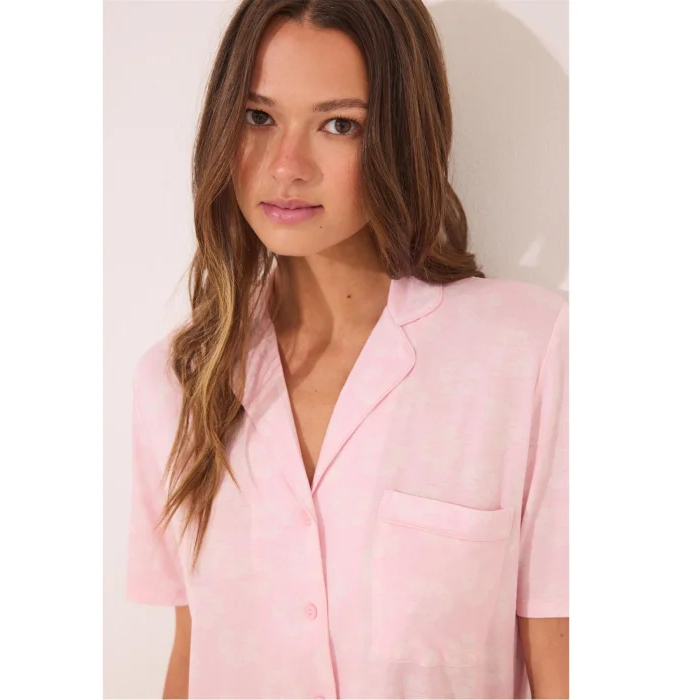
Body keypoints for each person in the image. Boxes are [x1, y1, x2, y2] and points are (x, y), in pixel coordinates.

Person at [125, 1, 569, 698]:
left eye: (339, 125)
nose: (286, 166)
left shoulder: (527, 353)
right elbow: (192, 653)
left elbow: (565, 660)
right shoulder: (175, 383)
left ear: (400, 137)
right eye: (258, 116)